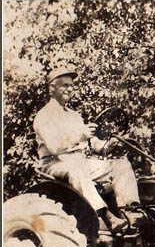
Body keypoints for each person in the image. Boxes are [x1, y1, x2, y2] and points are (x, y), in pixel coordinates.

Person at [33, 66, 142, 234]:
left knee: (121, 164)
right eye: (64, 85)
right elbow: (55, 146)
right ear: (52, 88)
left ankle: (130, 212)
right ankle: (104, 216)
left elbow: (92, 145)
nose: (69, 89)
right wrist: (80, 135)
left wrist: (108, 144)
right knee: (76, 170)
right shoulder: (44, 115)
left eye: (71, 85)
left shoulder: (74, 115)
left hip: (78, 162)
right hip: (54, 163)